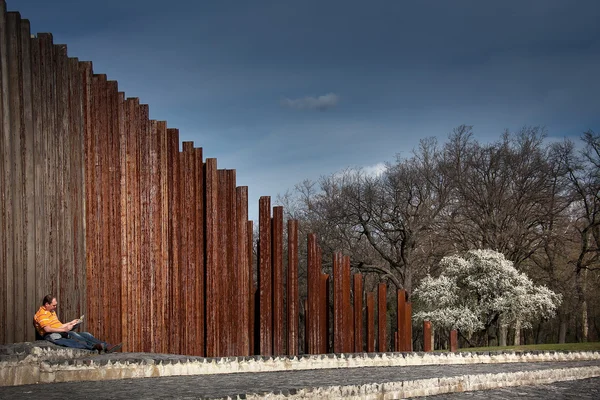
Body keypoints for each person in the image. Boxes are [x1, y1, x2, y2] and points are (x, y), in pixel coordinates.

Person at [33, 294, 122, 353]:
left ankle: (107, 345)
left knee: (86, 334)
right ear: (46, 304)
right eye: (53, 305)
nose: (55, 307)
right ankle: (96, 347)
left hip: (58, 330)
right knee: (75, 338)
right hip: (50, 335)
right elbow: (47, 329)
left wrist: (71, 323)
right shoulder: (41, 314)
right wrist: (64, 329)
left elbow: (58, 325)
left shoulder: (51, 311)